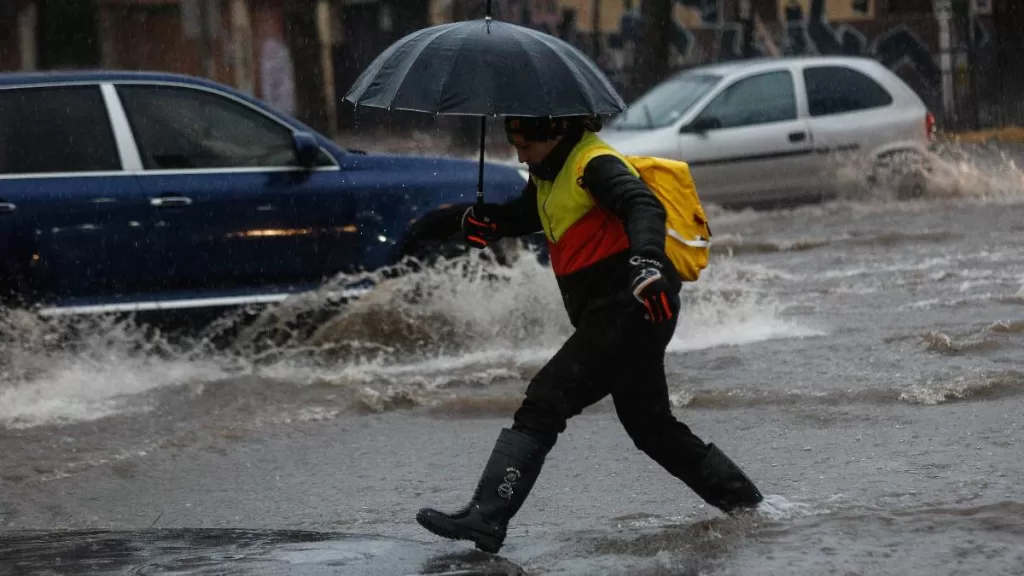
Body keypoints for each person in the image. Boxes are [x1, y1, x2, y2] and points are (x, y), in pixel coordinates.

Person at [415, 115, 763, 554]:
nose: (519, 153)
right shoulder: (548, 172)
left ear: (554, 132)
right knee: (652, 429)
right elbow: (527, 214)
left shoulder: (593, 163)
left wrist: (648, 263)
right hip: (615, 315)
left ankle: (487, 516)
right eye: (512, 141)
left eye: (525, 142)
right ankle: (749, 506)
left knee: (545, 400)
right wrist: (480, 221)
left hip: (632, 307)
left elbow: (643, 205)